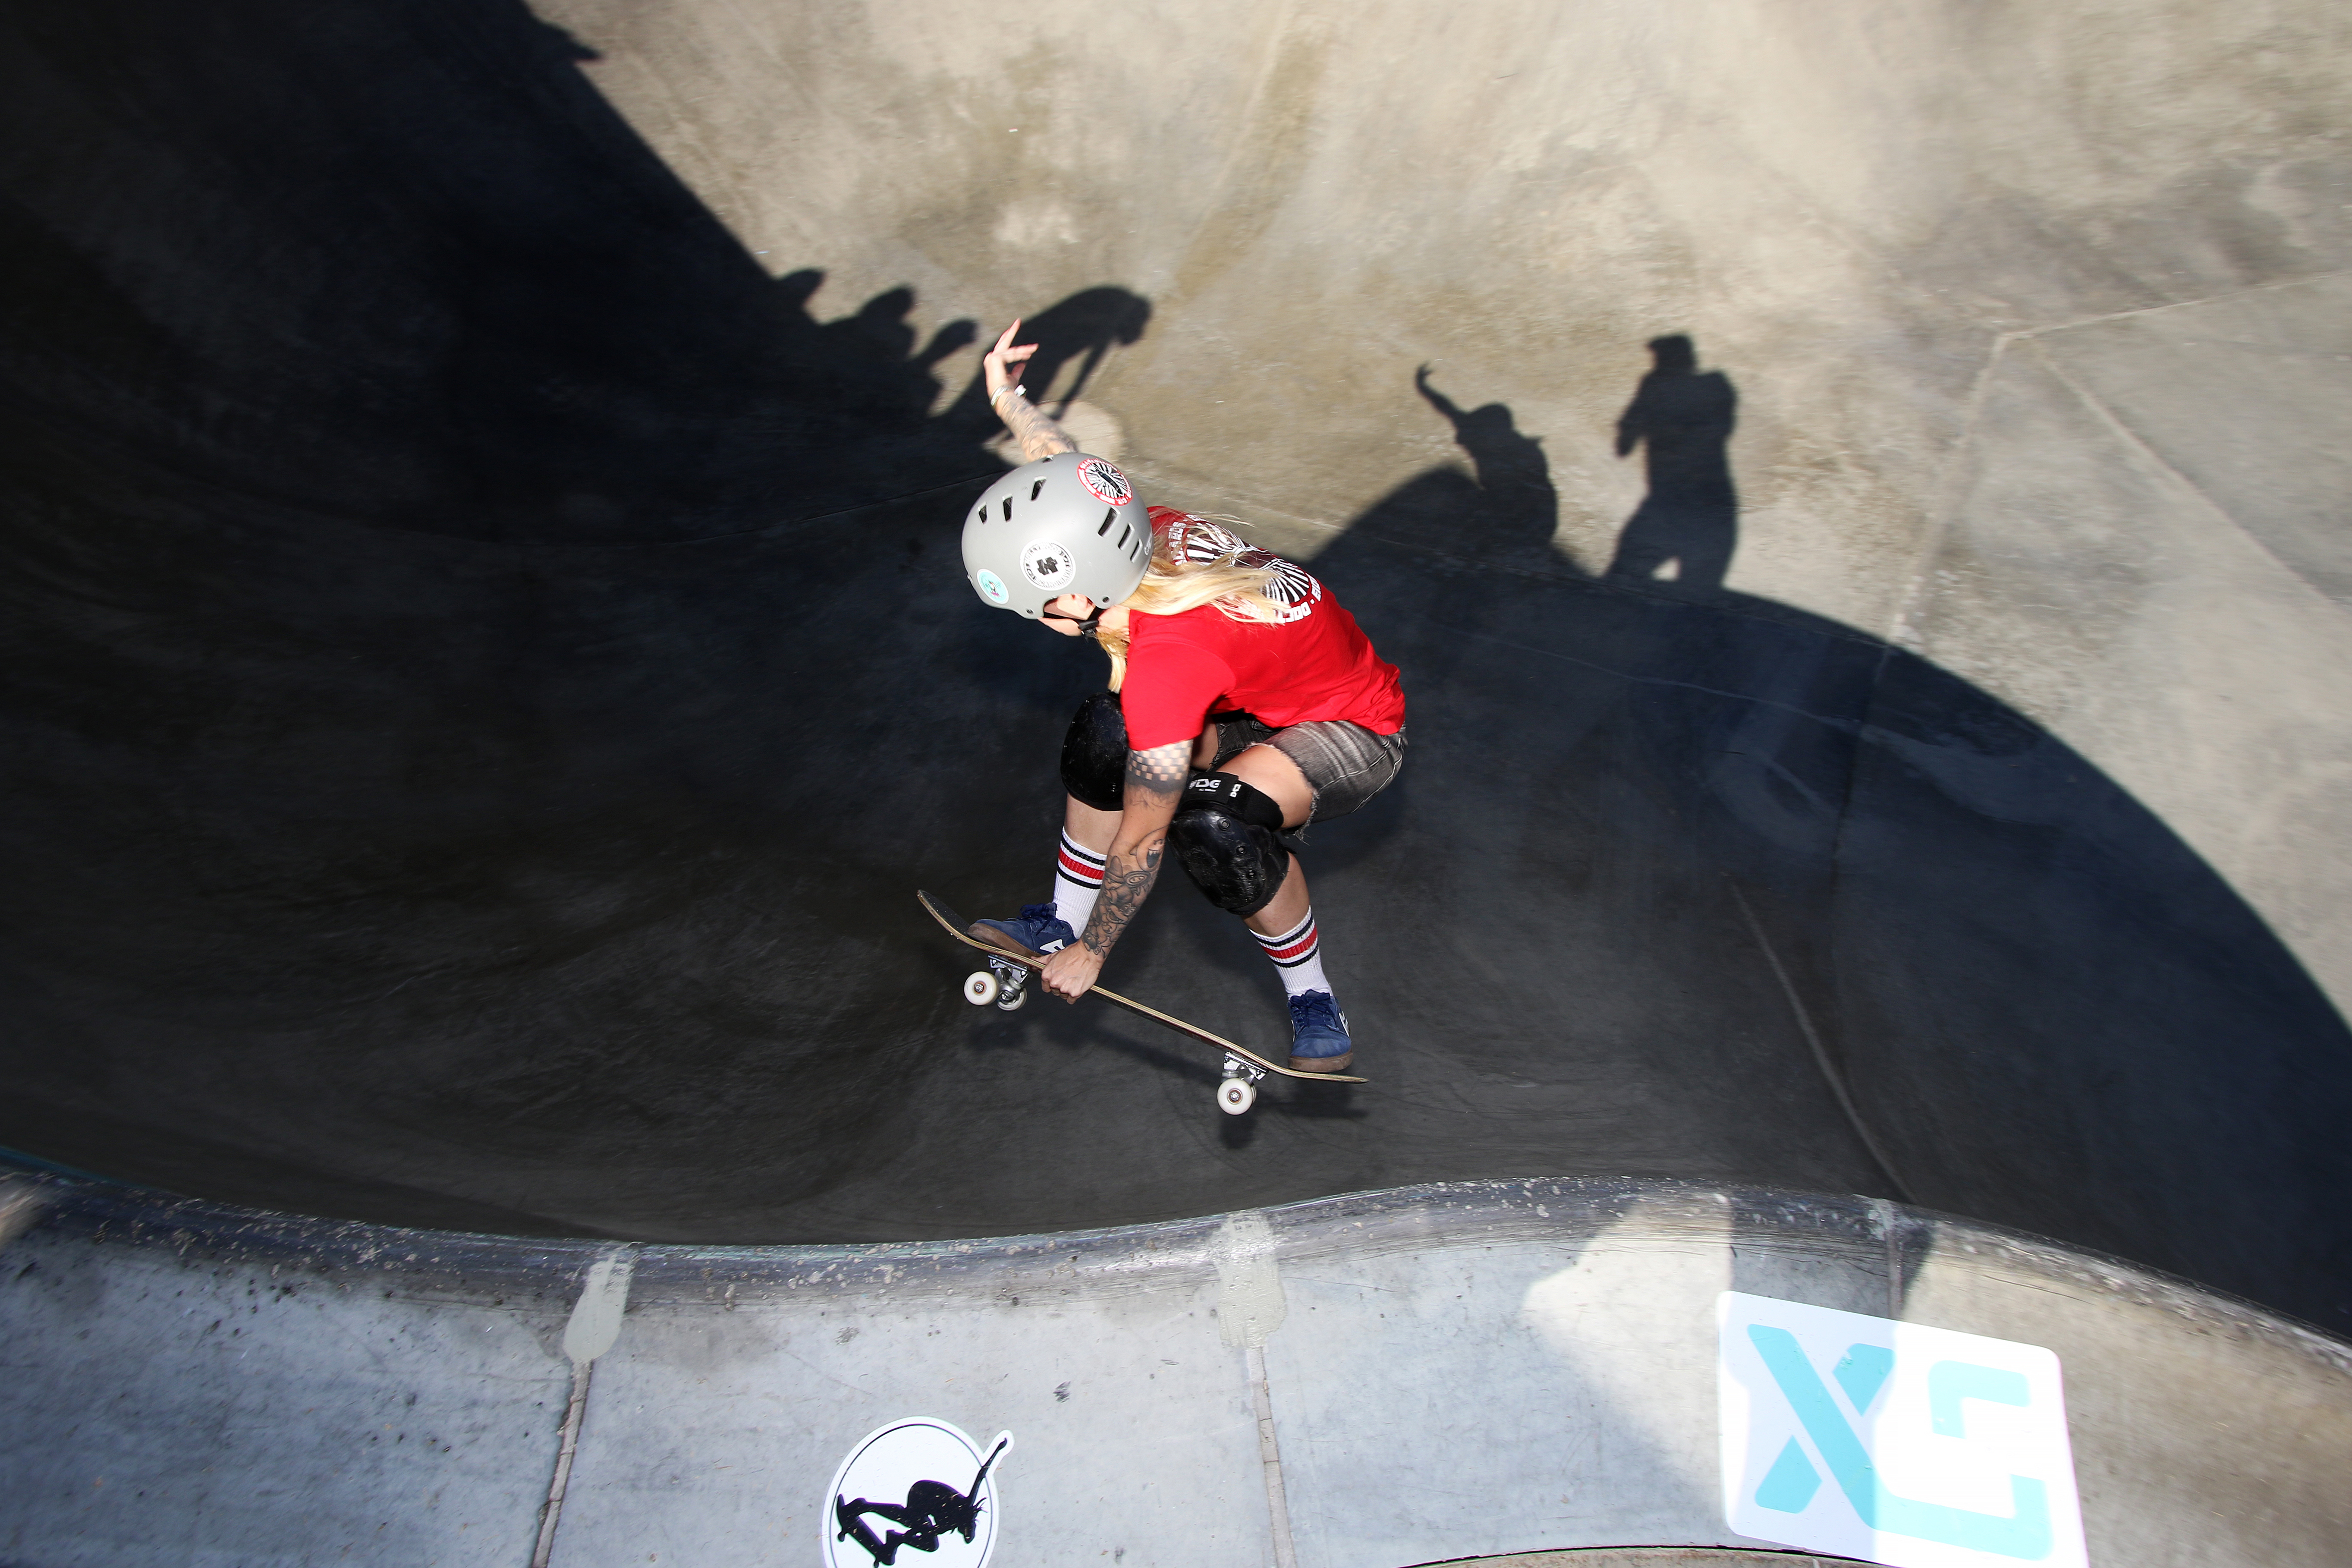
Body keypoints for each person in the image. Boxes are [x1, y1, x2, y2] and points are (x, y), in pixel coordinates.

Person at [956, 321, 1406, 1072]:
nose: (1040, 621)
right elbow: (1059, 469)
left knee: (1215, 826)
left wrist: (1097, 951)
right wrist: (1010, 398)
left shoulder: (1172, 657)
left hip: (1354, 726)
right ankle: (1053, 921)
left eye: (1039, 607)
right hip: (1247, 697)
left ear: (1076, 593)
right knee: (1108, 728)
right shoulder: (1135, 529)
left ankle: (1311, 995)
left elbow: (1142, 837)